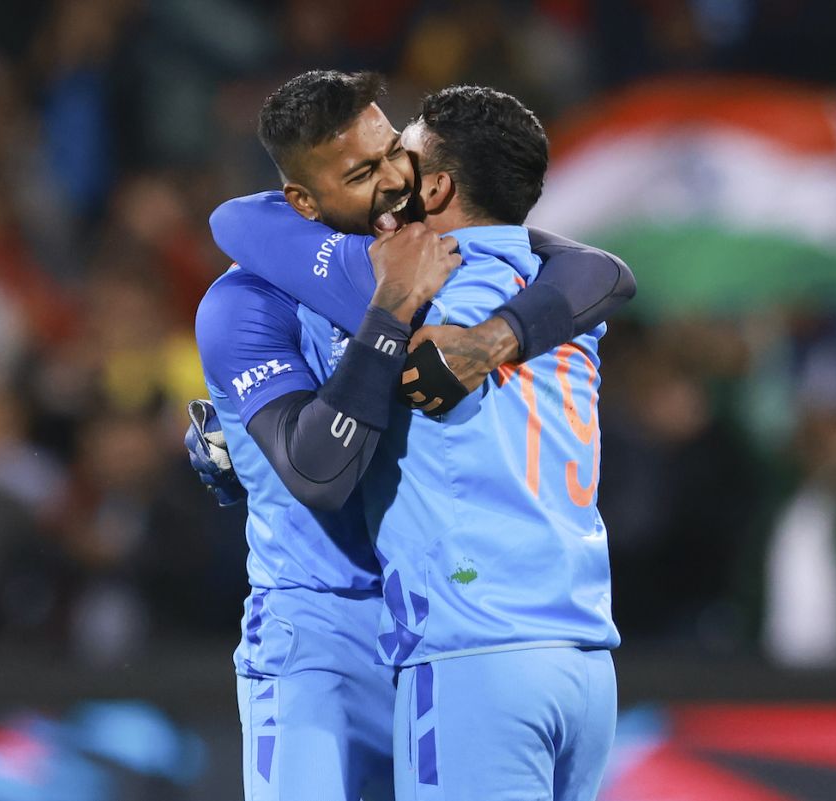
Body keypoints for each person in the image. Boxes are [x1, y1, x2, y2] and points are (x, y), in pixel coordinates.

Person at [190, 71, 633, 801]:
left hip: (433, 626)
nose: (396, 178)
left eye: (395, 150)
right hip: (320, 635)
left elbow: (598, 267)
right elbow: (318, 468)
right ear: (301, 203)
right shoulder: (252, 300)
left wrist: (498, 335)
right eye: (363, 172)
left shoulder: (438, 259)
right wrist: (247, 440)